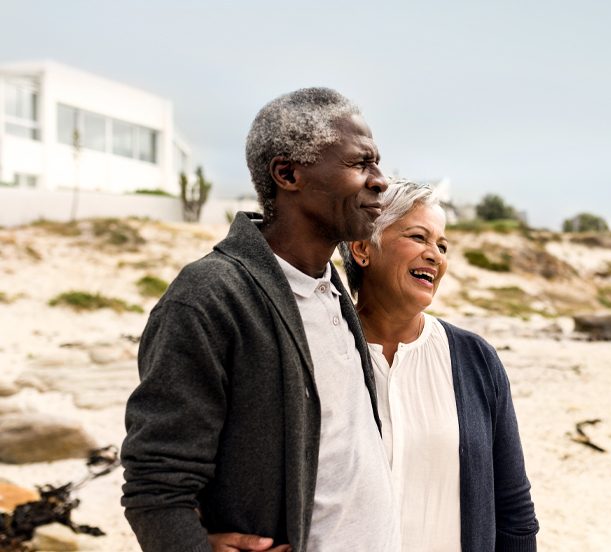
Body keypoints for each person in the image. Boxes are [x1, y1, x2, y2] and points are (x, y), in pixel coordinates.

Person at [121, 88, 400, 552]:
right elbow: (156, 484)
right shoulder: (209, 296)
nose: (380, 180)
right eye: (359, 163)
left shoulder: (330, 287)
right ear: (288, 174)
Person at [339, 180, 539, 552]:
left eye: (442, 245)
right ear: (363, 247)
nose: (436, 255)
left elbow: (514, 511)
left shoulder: (475, 359)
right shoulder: (321, 352)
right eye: (419, 237)